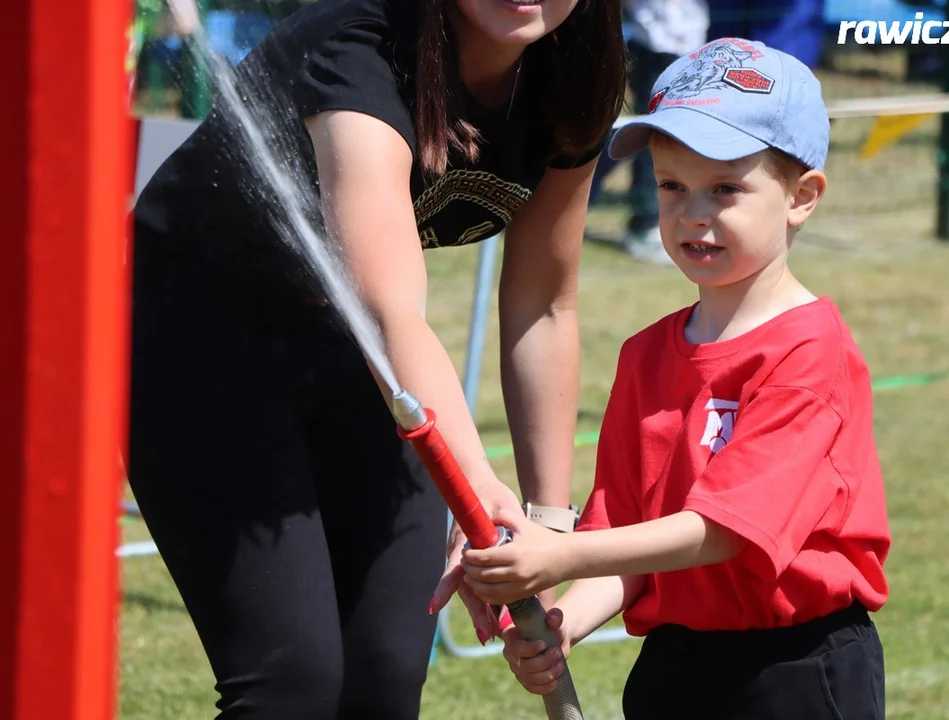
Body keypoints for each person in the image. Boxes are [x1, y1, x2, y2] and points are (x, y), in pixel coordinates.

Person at [126, 0, 626, 717]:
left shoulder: (576, 71)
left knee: (385, 673)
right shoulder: (360, 45)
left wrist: (547, 526)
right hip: (197, 338)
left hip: (349, 345)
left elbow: (543, 305)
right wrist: (477, 489)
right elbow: (391, 310)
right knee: (290, 683)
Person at [443, 37, 892, 720]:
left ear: (802, 197)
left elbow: (722, 532)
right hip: (674, 667)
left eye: (726, 189)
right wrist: (562, 626)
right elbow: (628, 536)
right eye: (673, 186)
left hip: (795, 667)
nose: (694, 214)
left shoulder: (809, 351)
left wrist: (562, 558)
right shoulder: (647, 354)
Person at [588, 0, 710, 265]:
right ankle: (643, 225)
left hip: (690, 46)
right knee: (650, 139)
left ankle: (584, 194)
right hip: (654, 46)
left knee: (651, 139)